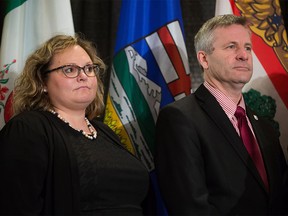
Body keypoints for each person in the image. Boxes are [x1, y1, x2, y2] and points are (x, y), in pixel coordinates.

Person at [0, 34, 150, 215]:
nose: (83, 76)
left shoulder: (105, 132)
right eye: (70, 70)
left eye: (89, 68)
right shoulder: (28, 129)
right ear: (42, 82)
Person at [155, 14, 288, 215]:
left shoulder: (265, 127)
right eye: (231, 46)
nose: (243, 55)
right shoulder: (179, 119)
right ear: (204, 59)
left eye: (248, 47)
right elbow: (189, 207)